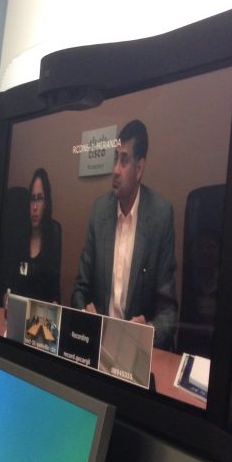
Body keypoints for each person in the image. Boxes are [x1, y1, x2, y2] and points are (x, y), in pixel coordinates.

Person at [71, 120, 177, 349]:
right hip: (99, 345)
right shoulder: (99, 213)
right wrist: (84, 311)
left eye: (124, 160)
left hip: (134, 351)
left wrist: (148, 330)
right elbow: (79, 289)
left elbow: (168, 310)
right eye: (115, 159)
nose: (116, 170)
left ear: (139, 169)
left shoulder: (160, 216)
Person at [9, 168, 61, 303]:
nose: (35, 207)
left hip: (41, 317)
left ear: (46, 204)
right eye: (32, 199)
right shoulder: (19, 234)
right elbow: (9, 284)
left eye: (39, 199)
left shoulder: (53, 235)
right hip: (17, 312)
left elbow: (54, 290)